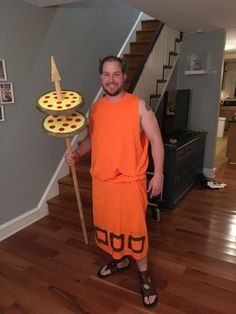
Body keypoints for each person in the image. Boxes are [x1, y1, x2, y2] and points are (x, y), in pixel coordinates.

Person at [65, 55, 164, 308]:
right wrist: (77, 153)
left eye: (116, 74)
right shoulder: (95, 109)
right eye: (107, 74)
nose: (111, 79)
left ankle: (143, 274)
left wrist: (159, 174)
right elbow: (92, 140)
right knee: (109, 227)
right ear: (101, 77)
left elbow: (156, 141)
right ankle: (120, 261)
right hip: (102, 182)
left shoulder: (139, 106)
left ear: (124, 76)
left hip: (130, 182)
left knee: (135, 231)